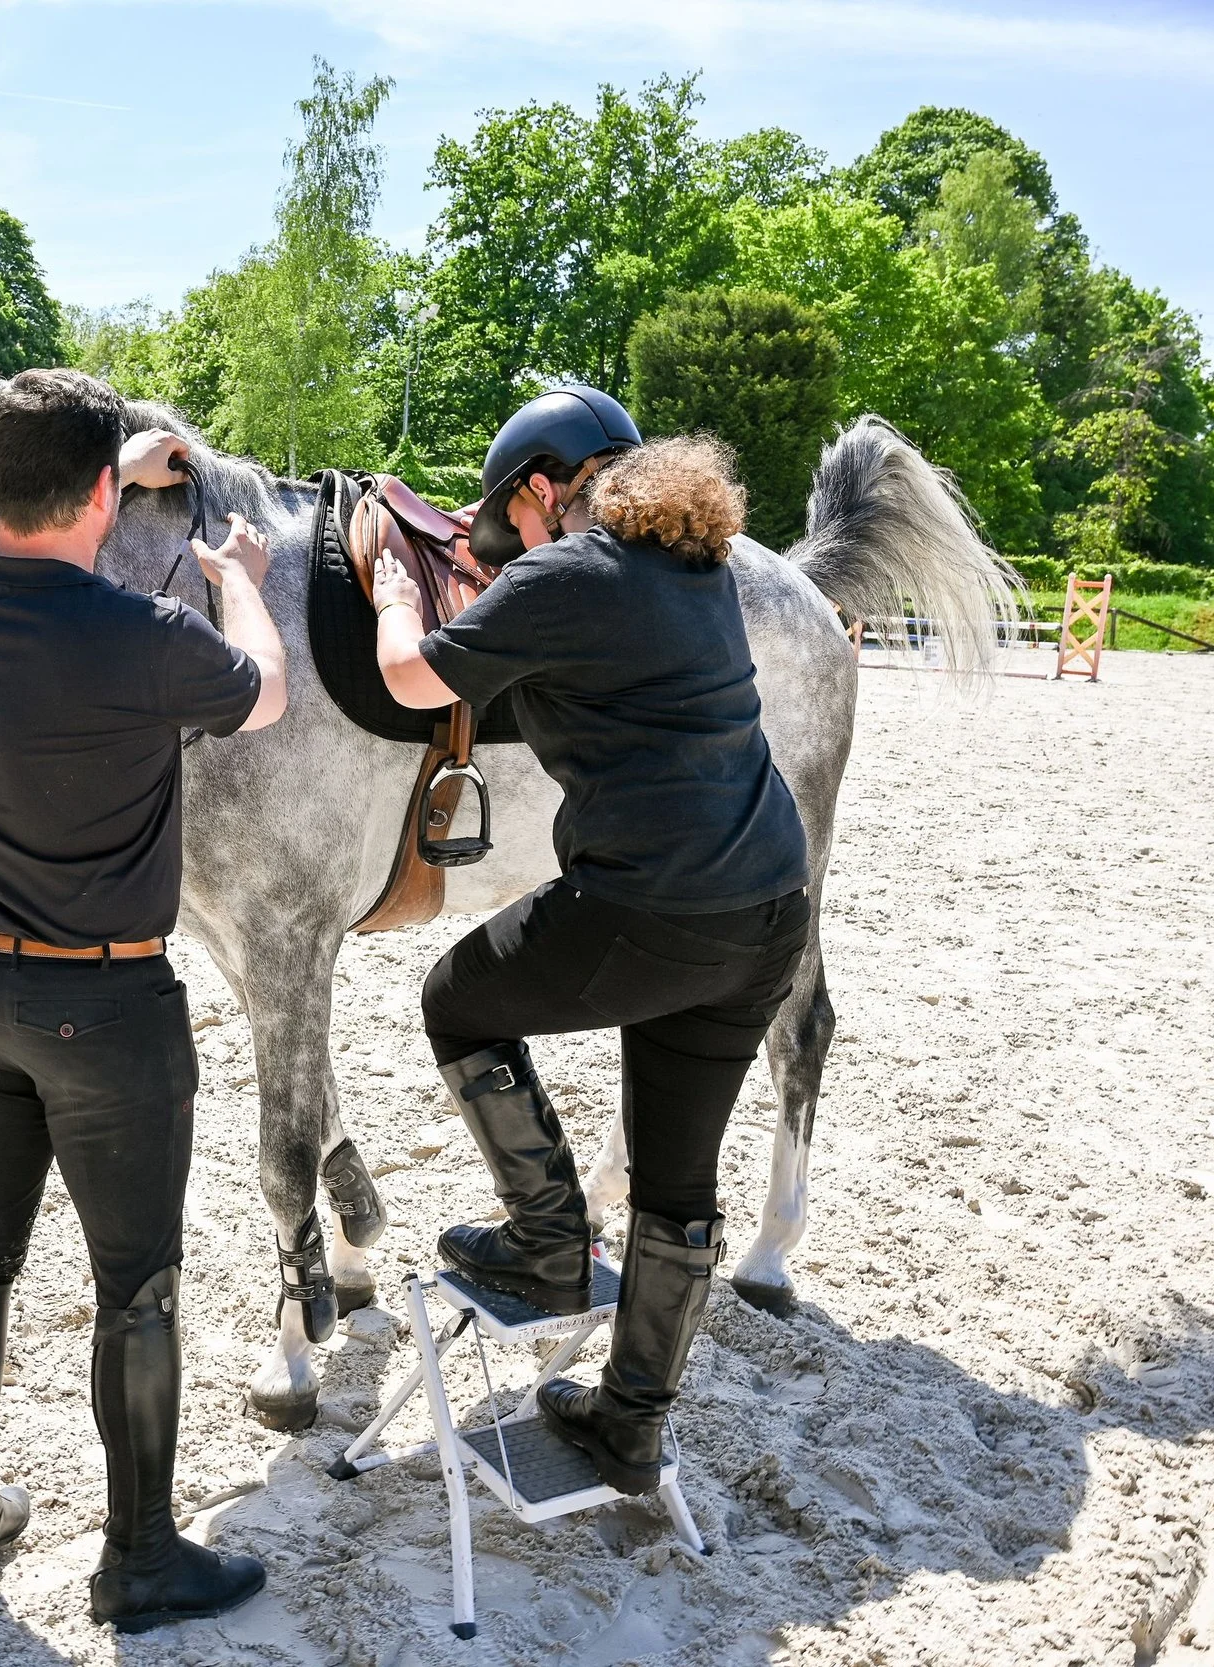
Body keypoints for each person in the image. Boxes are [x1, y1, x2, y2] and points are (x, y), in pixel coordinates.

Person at [0, 370, 287, 1627]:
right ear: (107, 499)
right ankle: (138, 1554)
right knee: (136, 1283)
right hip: (107, 1013)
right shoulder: (143, 635)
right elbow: (264, 691)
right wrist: (238, 583)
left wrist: (106, 465)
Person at [371, 392, 811, 1497]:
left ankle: (548, 1235)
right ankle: (630, 1424)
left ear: (537, 489)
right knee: (679, 1176)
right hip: (765, 907)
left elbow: (411, 679)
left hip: (650, 904)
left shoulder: (567, 571)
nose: (510, 547)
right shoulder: (692, 565)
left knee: (456, 1000)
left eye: (508, 522)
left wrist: (390, 589)